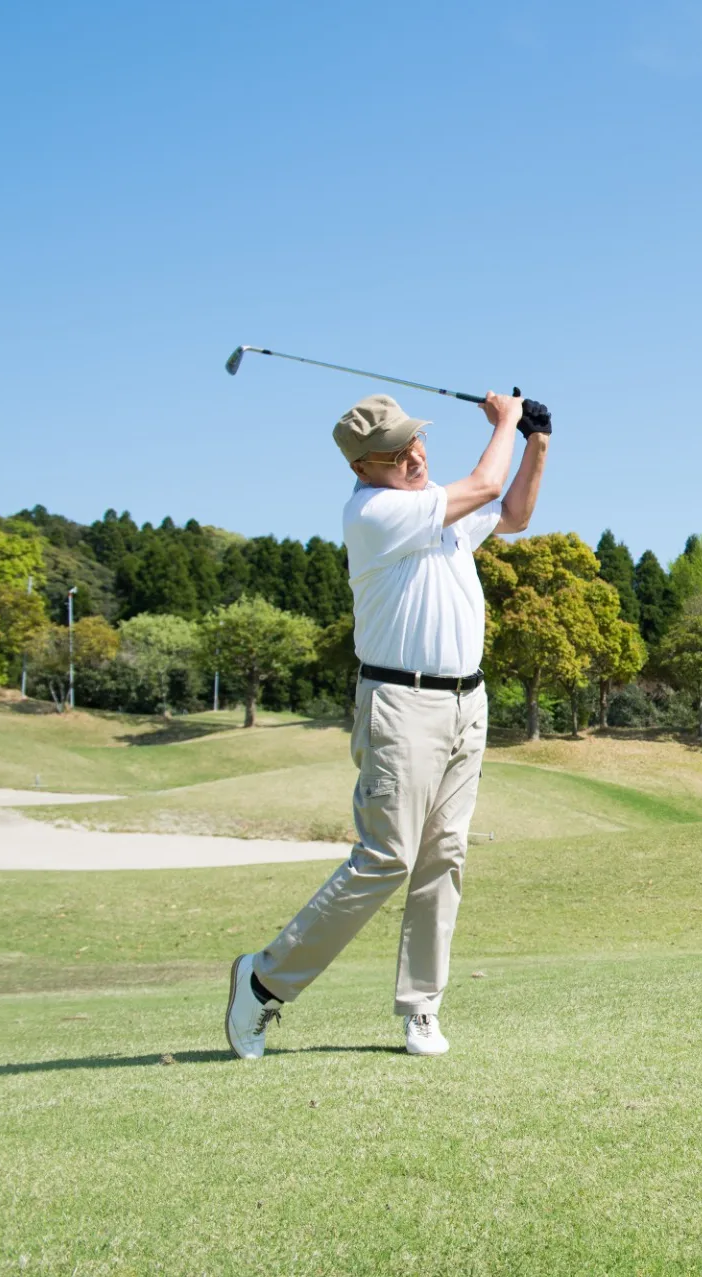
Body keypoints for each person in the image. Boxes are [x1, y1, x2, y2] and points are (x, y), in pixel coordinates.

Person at [225, 388, 550, 1059]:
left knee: (445, 856)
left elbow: (512, 510)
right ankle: (260, 982)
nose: (411, 456)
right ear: (362, 469)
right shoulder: (375, 514)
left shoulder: (441, 508)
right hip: (402, 705)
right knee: (388, 856)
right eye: (391, 453)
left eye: (414, 442)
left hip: (469, 704)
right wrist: (508, 422)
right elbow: (488, 480)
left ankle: (421, 1009)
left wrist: (537, 442)